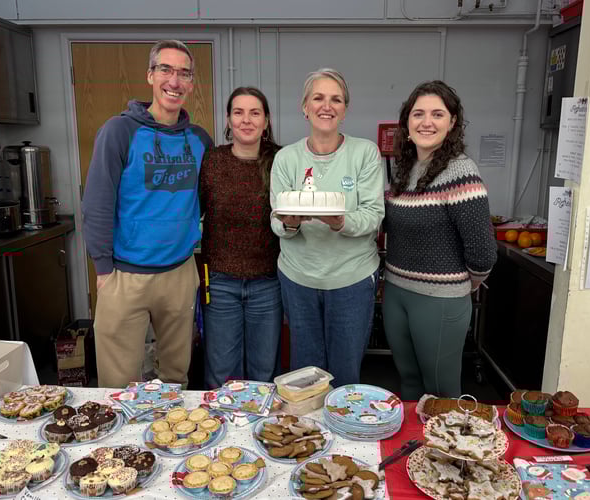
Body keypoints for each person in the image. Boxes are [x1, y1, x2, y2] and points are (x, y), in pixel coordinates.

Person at [82, 40, 213, 389]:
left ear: (191, 83)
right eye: (166, 70)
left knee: (175, 378)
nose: (175, 80)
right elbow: (96, 202)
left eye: (184, 73)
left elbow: (206, 200)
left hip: (180, 273)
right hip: (124, 275)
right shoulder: (120, 131)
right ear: (151, 75)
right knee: (118, 384)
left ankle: (174, 444)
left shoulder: (199, 140)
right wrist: (103, 268)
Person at [270, 68, 385, 388]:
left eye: (336, 99)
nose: (327, 105)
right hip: (298, 279)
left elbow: (374, 215)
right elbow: (276, 220)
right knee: (306, 376)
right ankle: (308, 437)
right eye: (318, 98)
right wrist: (289, 223)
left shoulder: (365, 153)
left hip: (352, 279)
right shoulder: (286, 159)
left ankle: (347, 433)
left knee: (345, 373)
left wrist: (341, 222)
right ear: (304, 107)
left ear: (345, 109)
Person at [383, 80, 497, 400]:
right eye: (418, 114)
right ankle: (414, 451)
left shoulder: (460, 171)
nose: (427, 122)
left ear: (452, 123)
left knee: (441, 393)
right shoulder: (405, 171)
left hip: (440, 300)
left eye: (437, 114)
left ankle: (448, 451)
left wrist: (463, 285)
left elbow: (483, 251)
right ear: (407, 123)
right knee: (408, 385)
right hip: (397, 293)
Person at [199, 87, 283, 389]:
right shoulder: (212, 162)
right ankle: (224, 431)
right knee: (222, 373)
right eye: (238, 112)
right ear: (228, 119)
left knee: (264, 372)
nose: (246, 120)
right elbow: (191, 212)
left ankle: (261, 433)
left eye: (254, 112)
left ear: (266, 120)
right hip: (220, 283)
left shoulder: (281, 161)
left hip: (268, 282)